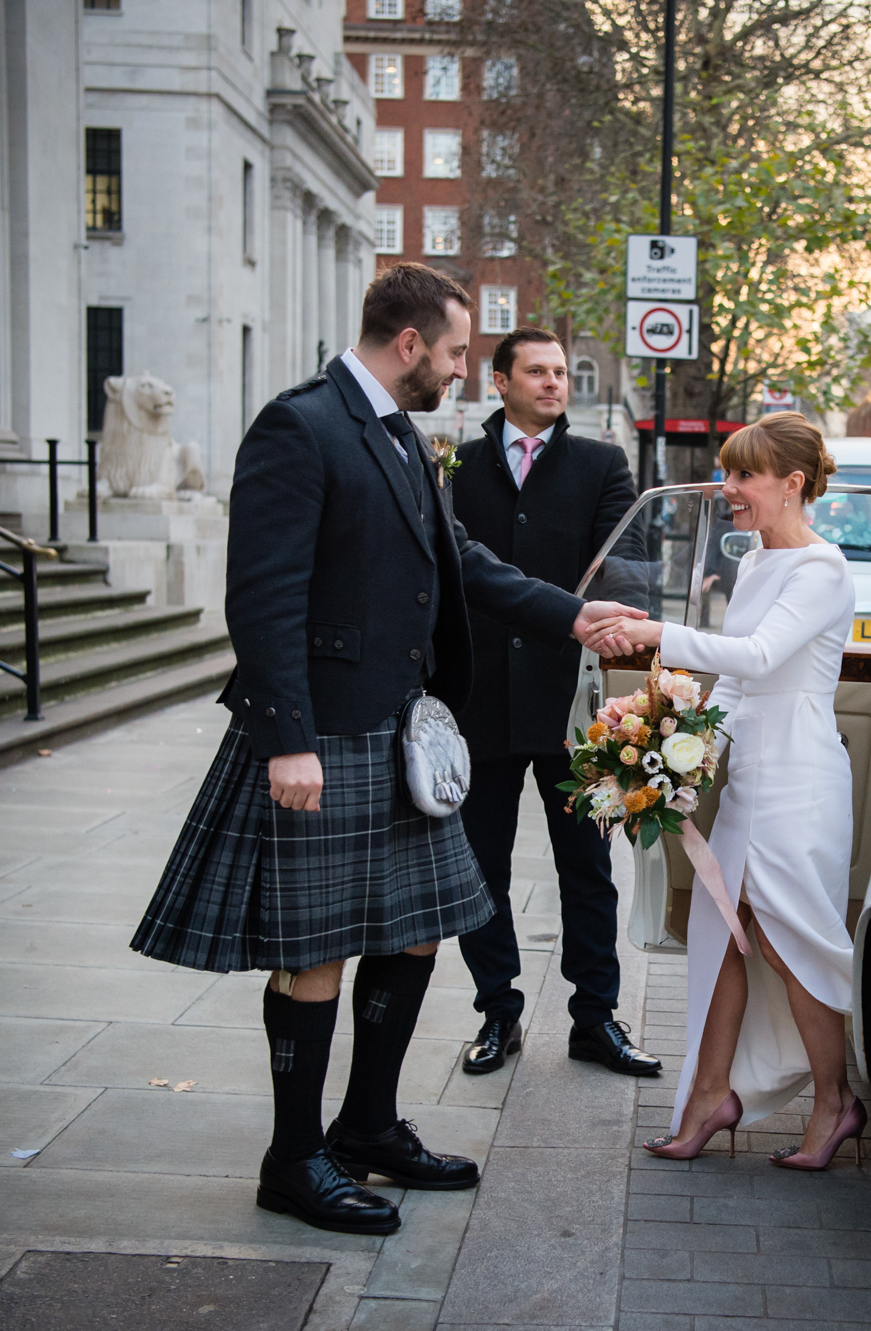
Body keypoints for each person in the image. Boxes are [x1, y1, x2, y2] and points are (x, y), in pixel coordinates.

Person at [130, 263, 641, 1236]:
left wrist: (574, 615)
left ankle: (367, 1124)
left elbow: (466, 562)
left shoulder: (401, 436)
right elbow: (263, 594)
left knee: (414, 927)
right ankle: (294, 1158)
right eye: (454, 353)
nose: (460, 371)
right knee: (317, 948)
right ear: (408, 345)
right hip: (322, 734)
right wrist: (287, 741)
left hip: (400, 731)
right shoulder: (302, 425)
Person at [593, 412, 865, 1169]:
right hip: (751, 776)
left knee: (787, 939)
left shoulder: (822, 568)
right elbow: (739, 688)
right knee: (725, 927)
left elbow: (761, 654)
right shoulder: (752, 563)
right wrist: (682, 757)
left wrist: (656, 636)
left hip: (801, 777)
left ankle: (836, 1101)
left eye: (743, 474)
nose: (728, 487)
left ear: (792, 483)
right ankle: (711, 1092)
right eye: (726, 470)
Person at [449, 326, 660, 1078]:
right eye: (535, 371)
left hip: (575, 705)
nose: (552, 383)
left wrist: (615, 619)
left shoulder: (602, 464)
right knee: (481, 866)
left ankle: (595, 1016)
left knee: (588, 866)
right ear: (499, 381)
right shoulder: (457, 465)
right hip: (478, 703)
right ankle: (496, 1011)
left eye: (561, 372)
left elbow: (626, 569)